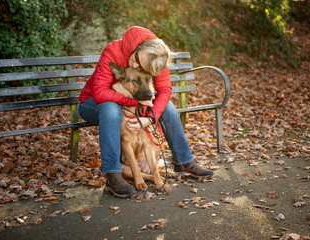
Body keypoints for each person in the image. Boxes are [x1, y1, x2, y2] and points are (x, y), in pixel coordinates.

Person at [78, 26, 213, 198]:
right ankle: (113, 174)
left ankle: (184, 161)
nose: (132, 64)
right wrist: (134, 102)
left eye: (139, 67)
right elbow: (100, 93)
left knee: (168, 107)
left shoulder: (156, 59)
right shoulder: (113, 50)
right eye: (134, 59)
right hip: (93, 103)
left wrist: (150, 118)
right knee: (111, 109)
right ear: (138, 48)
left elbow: (164, 90)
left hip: (128, 102)